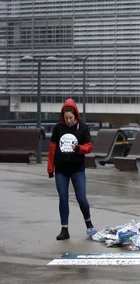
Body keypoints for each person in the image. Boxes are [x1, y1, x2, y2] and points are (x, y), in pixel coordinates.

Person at [47, 99, 94, 241]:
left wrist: (79, 149)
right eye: (66, 118)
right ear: (63, 116)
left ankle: (88, 222)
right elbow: (52, 149)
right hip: (61, 170)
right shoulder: (58, 128)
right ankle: (64, 229)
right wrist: (50, 168)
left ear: (76, 116)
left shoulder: (83, 128)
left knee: (81, 198)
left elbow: (89, 146)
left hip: (77, 169)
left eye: (71, 118)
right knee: (63, 198)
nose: (68, 121)